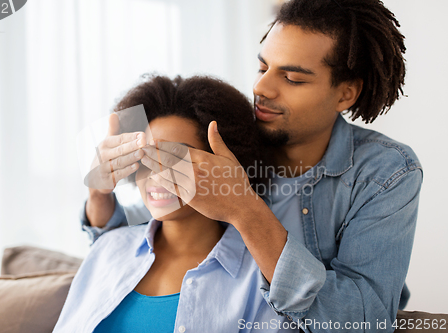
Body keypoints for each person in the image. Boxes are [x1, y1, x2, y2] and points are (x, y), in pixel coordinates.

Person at [82, 0, 423, 332]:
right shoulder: (232, 137)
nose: (261, 88)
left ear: (345, 94)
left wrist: (245, 210)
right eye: (262, 68)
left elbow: (365, 321)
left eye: (292, 78)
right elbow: (145, 233)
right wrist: (100, 194)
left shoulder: (386, 172)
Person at [55, 75, 297, 333]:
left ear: (222, 166)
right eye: (145, 156)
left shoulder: (259, 278)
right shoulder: (108, 249)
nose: (156, 174)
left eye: (175, 156)